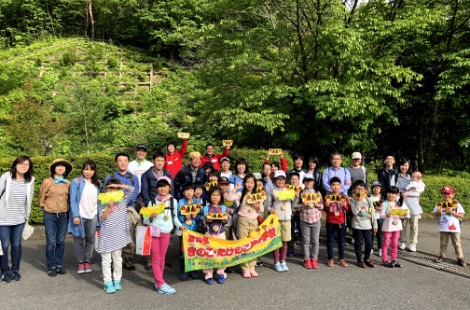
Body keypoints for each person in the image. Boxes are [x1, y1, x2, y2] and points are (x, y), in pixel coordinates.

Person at [143, 176, 186, 295]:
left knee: (162, 258)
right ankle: (161, 283)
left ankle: (159, 282)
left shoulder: (173, 201)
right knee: (155, 260)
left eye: (165, 186)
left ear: (170, 188)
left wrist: (180, 226)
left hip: (166, 233)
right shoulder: (152, 202)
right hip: (154, 232)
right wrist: (150, 217)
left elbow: (175, 217)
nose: (162, 188)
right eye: (160, 186)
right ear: (157, 188)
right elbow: (146, 220)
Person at [0, 156, 35, 283]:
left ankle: (15, 270)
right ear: (15, 165)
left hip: (19, 218)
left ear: (29, 166)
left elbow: (29, 200)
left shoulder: (30, 180)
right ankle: (4, 271)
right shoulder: (6, 177)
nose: (23, 166)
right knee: (3, 245)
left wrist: (27, 217)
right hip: (3, 219)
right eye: (20, 164)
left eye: (26, 164)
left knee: (16, 244)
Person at [96, 178, 133, 293]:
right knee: (106, 261)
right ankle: (107, 282)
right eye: (109, 188)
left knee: (117, 259)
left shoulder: (122, 199)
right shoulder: (102, 201)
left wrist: (119, 185)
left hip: (119, 235)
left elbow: (131, 189)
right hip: (107, 235)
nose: (111, 190)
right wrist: (109, 207)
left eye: (114, 188)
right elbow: (102, 218)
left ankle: (117, 280)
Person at [104, 153, 139, 271]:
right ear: (116, 163)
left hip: (129, 208)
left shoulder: (134, 178)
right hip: (114, 208)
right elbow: (106, 193)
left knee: (129, 231)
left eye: (125, 160)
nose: (123, 163)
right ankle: (115, 257)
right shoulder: (110, 176)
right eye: (120, 161)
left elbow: (134, 193)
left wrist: (124, 202)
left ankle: (128, 256)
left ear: (128, 162)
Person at [39, 159, 73, 277]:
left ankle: (58, 265)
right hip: (50, 214)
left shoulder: (68, 183)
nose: (60, 168)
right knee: (51, 241)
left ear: (65, 169)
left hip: (63, 215)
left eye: (62, 166)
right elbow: (41, 197)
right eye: (58, 166)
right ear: (53, 168)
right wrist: (44, 208)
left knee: (60, 241)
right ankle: (51, 266)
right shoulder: (47, 182)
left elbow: (70, 199)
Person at [68, 160, 101, 274]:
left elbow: (99, 202)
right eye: (86, 169)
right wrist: (75, 215)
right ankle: (80, 262)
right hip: (80, 215)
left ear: (94, 171)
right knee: (78, 239)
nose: (88, 172)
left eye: (91, 169)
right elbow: (72, 199)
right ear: (82, 170)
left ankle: (87, 260)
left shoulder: (97, 183)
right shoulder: (76, 182)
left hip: (93, 215)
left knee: (90, 239)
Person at [237, 173, 263, 278]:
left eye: (252, 182)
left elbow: (262, 209)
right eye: (247, 182)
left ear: (255, 184)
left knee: (253, 244)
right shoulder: (241, 194)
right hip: (243, 220)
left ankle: (252, 267)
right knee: (244, 244)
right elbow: (229, 198)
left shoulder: (258, 195)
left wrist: (256, 206)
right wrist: (235, 189)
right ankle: (245, 268)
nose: (249, 184)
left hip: (254, 221)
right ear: (244, 183)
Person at [267, 170, 294, 272]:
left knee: (285, 241)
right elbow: (268, 206)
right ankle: (276, 262)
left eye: (282, 179)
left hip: (287, 219)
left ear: (285, 180)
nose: (280, 181)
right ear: (274, 181)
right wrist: (271, 210)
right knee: (276, 242)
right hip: (276, 219)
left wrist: (296, 195)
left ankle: (283, 260)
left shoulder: (289, 190)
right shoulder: (272, 192)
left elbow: (294, 203)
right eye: (278, 179)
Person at [295, 173, 323, 269]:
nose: (308, 183)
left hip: (316, 219)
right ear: (304, 182)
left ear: (313, 182)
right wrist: (302, 205)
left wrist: (317, 205)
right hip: (304, 219)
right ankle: (306, 259)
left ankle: (314, 259)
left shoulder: (317, 193)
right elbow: (295, 207)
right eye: (306, 181)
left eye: (310, 181)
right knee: (306, 241)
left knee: (315, 241)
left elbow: (322, 206)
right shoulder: (301, 193)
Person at [433, 186, 466, 267]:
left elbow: (462, 216)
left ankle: (460, 258)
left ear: (453, 194)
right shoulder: (439, 204)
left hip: (454, 228)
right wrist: (439, 212)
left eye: (449, 194)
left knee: (456, 243)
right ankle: (442, 256)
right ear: (441, 195)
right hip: (443, 227)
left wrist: (452, 212)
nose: (447, 196)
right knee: (443, 242)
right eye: (444, 193)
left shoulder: (456, 204)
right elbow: (435, 215)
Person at [202, 186, 229, 284]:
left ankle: (221, 272)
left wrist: (226, 220)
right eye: (213, 195)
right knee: (209, 253)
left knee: (222, 252)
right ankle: (208, 273)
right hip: (209, 233)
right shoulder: (206, 208)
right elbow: (202, 221)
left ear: (221, 196)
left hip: (221, 233)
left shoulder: (223, 207)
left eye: (217, 195)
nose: (215, 197)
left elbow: (226, 220)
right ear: (209, 196)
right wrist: (206, 220)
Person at [349, 180, 377, 268]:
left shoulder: (368, 200)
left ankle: (367, 258)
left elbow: (373, 213)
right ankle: (359, 260)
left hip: (368, 226)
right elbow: (355, 212)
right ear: (354, 190)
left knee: (369, 243)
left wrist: (375, 225)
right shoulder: (352, 200)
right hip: (357, 225)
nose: (359, 191)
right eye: (357, 189)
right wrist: (359, 201)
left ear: (365, 190)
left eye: (361, 189)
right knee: (358, 243)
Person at [381, 186, 409, 268]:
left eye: (393, 193)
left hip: (397, 226)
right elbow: (382, 215)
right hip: (387, 227)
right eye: (389, 193)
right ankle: (385, 260)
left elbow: (402, 216)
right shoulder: (384, 204)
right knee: (386, 243)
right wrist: (387, 215)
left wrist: (404, 214)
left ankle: (394, 259)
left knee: (395, 243)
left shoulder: (399, 204)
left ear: (397, 195)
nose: (391, 195)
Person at [324, 177, 349, 267]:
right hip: (330, 221)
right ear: (330, 186)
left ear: (341, 186)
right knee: (330, 241)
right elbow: (326, 209)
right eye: (333, 185)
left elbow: (347, 209)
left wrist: (345, 206)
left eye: (337, 185)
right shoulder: (327, 197)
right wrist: (326, 206)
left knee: (341, 241)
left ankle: (341, 258)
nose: (335, 187)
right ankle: (330, 259)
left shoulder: (344, 197)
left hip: (341, 221)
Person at [177, 183, 200, 281]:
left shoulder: (197, 202)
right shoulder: (180, 203)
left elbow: (202, 216)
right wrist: (183, 218)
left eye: (191, 190)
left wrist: (196, 217)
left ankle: (194, 270)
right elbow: (176, 217)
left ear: (194, 192)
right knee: (183, 252)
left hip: (194, 230)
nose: (189, 192)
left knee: (194, 250)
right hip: (184, 231)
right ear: (183, 192)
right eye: (186, 190)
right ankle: (184, 271)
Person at [402, 171, 426, 252]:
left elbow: (423, 189)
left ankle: (413, 243)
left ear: (418, 178)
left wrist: (416, 188)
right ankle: (403, 241)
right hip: (405, 201)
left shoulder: (420, 184)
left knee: (414, 224)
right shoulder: (409, 181)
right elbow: (405, 189)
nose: (412, 177)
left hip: (414, 201)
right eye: (412, 176)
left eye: (414, 176)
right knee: (404, 223)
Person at [127, 144, 153, 211]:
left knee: (147, 217)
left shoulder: (150, 165)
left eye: (143, 151)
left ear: (146, 153)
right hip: (134, 196)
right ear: (136, 152)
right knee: (135, 217)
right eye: (139, 151)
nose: (141, 153)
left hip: (148, 195)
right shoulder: (129, 165)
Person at [395, 158, 412, 250]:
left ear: (409, 166)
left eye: (406, 165)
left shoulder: (411, 177)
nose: (404, 167)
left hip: (410, 202)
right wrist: (400, 195)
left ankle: (412, 243)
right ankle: (402, 241)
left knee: (411, 223)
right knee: (400, 221)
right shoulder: (396, 176)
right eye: (402, 165)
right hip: (399, 201)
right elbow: (393, 188)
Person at [369, 181, 384, 257]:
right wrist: (374, 208)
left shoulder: (383, 197)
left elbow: (385, 208)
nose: (376, 189)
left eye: (377, 188)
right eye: (374, 188)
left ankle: (380, 248)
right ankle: (370, 248)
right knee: (370, 234)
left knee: (379, 234)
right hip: (371, 218)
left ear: (380, 189)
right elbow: (368, 208)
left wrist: (380, 207)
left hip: (380, 218)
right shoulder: (369, 197)